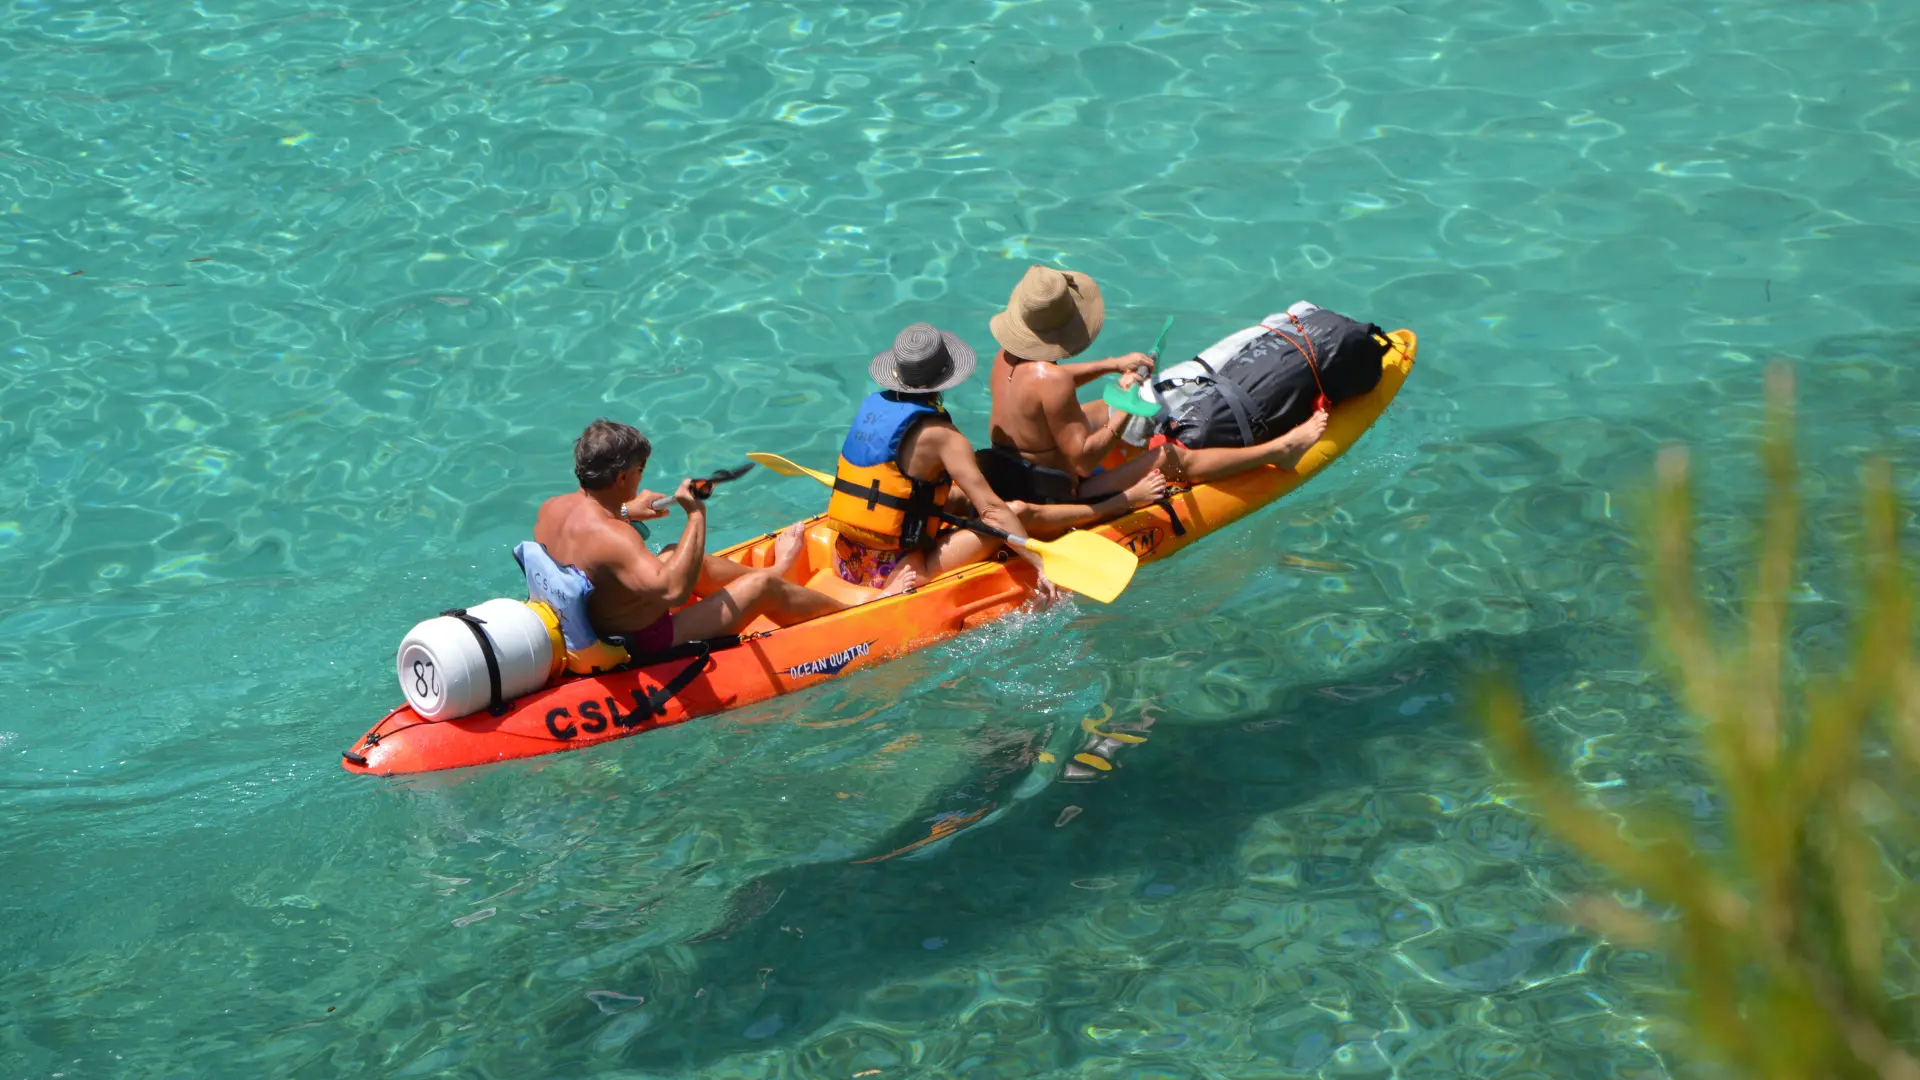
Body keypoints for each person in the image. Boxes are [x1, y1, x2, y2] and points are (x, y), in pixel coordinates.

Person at [981, 265, 1330, 537]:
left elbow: (1047, 382)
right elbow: (1084, 461)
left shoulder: (1006, 358)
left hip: (1014, 475)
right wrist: (1126, 407)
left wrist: (1110, 366)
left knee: (1097, 408)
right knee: (1169, 456)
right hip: (1061, 495)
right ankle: (1280, 451)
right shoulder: (1052, 381)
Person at [534, 419, 846, 650]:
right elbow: (675, 593)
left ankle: (780, 574)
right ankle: (854, 614)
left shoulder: (552, 510)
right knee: (761, 587)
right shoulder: (614, 537)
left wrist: (626, 510)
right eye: (640, 470)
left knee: (672, 551)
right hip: (646, 642)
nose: (642, 477)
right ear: (621, 477)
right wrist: (695, 513)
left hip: (599, 624)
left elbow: (592, 547)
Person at [824, 322, 1054, 598]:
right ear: (945, 378)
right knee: (1008, 515)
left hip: (846, 559)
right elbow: (992, 512)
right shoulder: (944, 437)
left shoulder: (874, 408)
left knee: (955, 496)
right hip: (894, 574)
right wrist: (1040, 564)